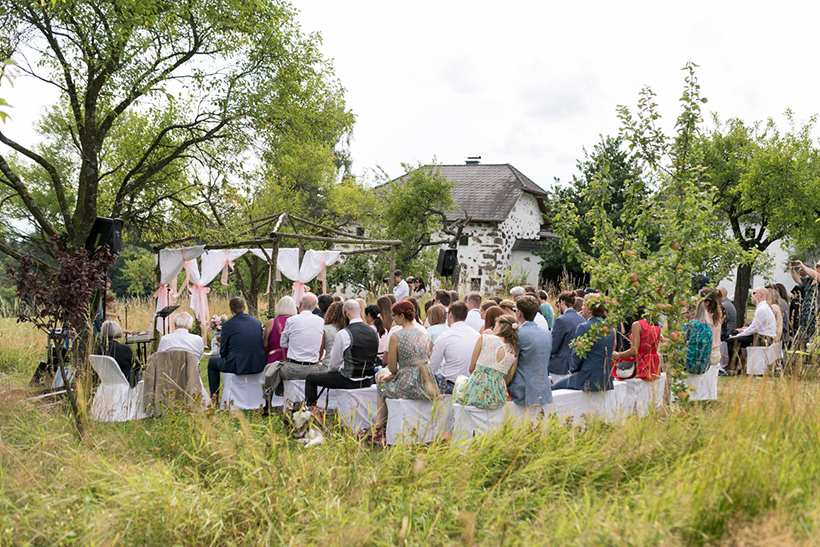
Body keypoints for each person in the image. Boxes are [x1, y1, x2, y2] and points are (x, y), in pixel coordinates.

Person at [369, 300, 436, 442]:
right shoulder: (424, 332)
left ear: (401, 316)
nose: (392, 318)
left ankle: (380, 425)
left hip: (408, 383)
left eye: (394, 315)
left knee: (380, 380)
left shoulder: (396, 336)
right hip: (426, 381)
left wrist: (390, 375)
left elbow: (392, 368)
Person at [304, 300, 380, 407]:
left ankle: (311, 410)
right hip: (368, 379)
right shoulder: (373, 332)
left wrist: (331, 373)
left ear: (346, 313)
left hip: (349, 380)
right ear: (359, 311)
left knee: (311, 378)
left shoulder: (344, 333)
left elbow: (334, 364)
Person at [454, 314, 518, 409]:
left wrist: (476, 377)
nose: (494, 328)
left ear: (501, 326)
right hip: (496, 395)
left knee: (459, 381)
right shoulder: (514, 350)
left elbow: (471, 367)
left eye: (495, 325)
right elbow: (507, 379)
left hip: (476, 387)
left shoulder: (485, 338)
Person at [553, 294, 614, 392]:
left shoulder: (583, 327)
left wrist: (572, 370)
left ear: (590, 309)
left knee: (556, 387)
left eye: (584, 305)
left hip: (588, 377)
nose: (581, 307)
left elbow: (577, 354)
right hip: (606, 378)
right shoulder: (609, 329)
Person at [207, 297, 266, 397]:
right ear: (245, 307)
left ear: (230, 309)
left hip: (238, 364)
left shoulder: (227, 325)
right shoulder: (256, 322)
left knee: (212, 363)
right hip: (258, 362)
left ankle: (214, 398)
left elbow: (223, 351)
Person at [508, 295, 552, 406]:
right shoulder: (546, 333)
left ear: (520, 313)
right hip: (543, 389)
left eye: (515, 310)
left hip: (523, 391)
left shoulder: (518, 334)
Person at [429, 301, 479, 394]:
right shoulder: (476, 335)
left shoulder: (445, 336)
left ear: (450, 315)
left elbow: (432, 368)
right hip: (470, 384)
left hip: (450, 384)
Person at [726, 287, 776, 373]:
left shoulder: (762, 309)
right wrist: (741, 332)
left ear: (761, 295)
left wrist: (737, 335)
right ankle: (738, 366)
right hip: (761, 336)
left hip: (764, 338)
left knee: (732, 341)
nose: (751, 296)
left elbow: (753, 329)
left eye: (754, 293)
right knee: (735, 340)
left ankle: (734, 369)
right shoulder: (763, 307)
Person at [278, 293, 326, 381]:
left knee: (273, 369)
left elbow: (283, 343)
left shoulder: (291, 320)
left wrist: (295, 345)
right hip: (313, 368)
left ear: (300, 304)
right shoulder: (320, 321)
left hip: (292, 369)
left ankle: (275, 394)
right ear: (314, 307)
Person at [611, 308, 661, 381]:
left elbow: (634, 350)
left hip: (640, 364)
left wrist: (617, 355)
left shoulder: (637, 324)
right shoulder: (656, 325)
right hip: (653, 364)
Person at [549, 291, 585, 381]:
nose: (557, 309)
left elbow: (553, 346)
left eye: (557, 305)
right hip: (576, 365)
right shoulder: (582, 319)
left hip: (560, 366)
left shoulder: (561, 320)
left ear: (562, 302)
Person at [96, 320, 142, 387]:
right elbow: (137, 366)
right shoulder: (125, 349)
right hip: (124, 383)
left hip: (106, 382)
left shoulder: (100, 347)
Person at [263, 296, 297, 364]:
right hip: (291, 361)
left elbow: (265, 344)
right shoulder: (296, 322)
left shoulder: (271, 322)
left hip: (273, 361)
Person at [698, 288, 724, 369]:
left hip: (707, 353)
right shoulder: (717, 313)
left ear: (706, 303)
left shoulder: (704, 315)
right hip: (716, 351)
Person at [321, 301, 347, 368]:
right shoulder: (349, 329)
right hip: (345, 366)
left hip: (328, 364)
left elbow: (320, 351)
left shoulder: (325, 329)